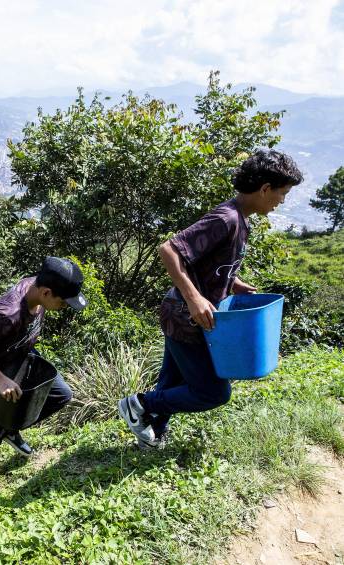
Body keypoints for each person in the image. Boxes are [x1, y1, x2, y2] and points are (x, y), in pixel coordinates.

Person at [118, 149, 304, 449]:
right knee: (213, 392)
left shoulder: (242, 219)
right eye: (281, 193)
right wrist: (194, 298)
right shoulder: (226, 218)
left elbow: (209, 265)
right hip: (185, 315)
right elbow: (169, 251)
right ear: (265, 188)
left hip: (190, 314)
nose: (281, 201)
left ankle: (151, 435)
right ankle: (137, 404)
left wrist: (233, 283)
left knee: (173, 380)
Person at [0, 256, 87, 484]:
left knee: (62, 394)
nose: (63, 307)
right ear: (46, 293)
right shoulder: (8, 314)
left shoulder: (38, 286)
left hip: (21, 357)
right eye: (63, 302)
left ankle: (10, 429)